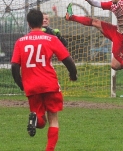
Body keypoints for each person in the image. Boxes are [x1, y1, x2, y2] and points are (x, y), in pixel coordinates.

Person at [11, 9, 77, 151]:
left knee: (40, 120)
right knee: (53, 119)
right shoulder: (51, 39)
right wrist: (73, 74)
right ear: (42, 22)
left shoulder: (20, 42)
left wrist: (21, 85)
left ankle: (35, 119)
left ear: (28, 23)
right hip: (50, 84)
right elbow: (68, 60)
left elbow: (14, 66)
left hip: (31, 86)